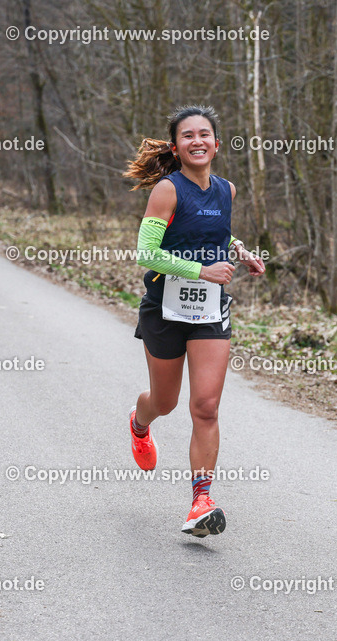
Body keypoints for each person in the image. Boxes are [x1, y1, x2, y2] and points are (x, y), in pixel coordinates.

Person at [122, 105, 265, 537]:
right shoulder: (167, 190)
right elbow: (147, 254)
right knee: (164, 402)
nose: (197, 141)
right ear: (176, 146)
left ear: (216, 144)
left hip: (208, 310)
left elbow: (214, 230)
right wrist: (201, 270)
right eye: (188, 135)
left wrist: (238, 249)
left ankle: (201, 501)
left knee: (205, 406)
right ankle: (139, 422)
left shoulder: (227, 190)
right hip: (164, 309)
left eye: (205, 134)